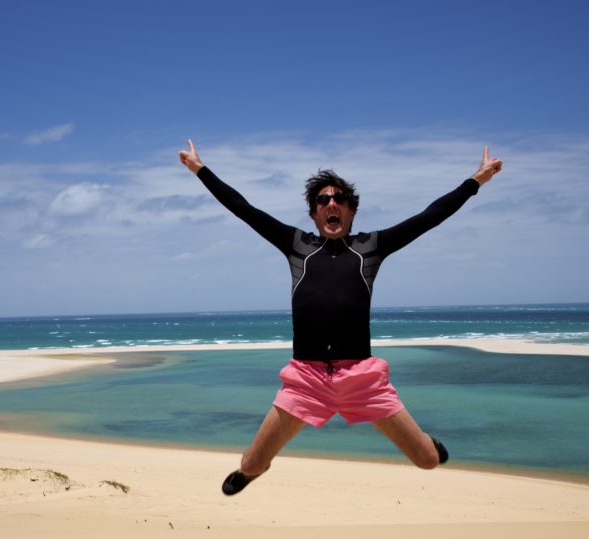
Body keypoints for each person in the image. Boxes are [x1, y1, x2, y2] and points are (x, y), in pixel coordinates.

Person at [178, 139, 502, 495]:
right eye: (323, 201)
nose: (331, 204)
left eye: (339, 200)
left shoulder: (371, 248)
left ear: (351, 210)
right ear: (314, 213)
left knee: (427, 460)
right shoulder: (297, 246)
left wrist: (476, 181)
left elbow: (429, 217)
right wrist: (200, 169)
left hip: (361, 379)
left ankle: (426, 442)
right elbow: (243, 208)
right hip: (306, 379)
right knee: (250, 464)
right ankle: (254, 470)